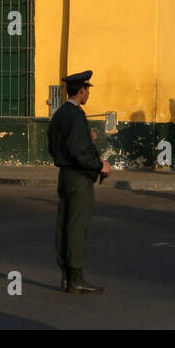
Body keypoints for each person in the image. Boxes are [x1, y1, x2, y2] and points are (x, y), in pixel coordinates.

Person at [48, 70, 111, 293]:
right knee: (77, 226)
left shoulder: (61, 113)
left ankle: (66, 276)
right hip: (78, 177)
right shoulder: (75, 115)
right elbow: (78, 150)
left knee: (64, 224)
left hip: (64, 174)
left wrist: (87, 138)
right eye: (87, 91)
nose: (87, 95)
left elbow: (57, 145)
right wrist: (99, 165)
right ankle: (76, 277)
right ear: (81, 90)